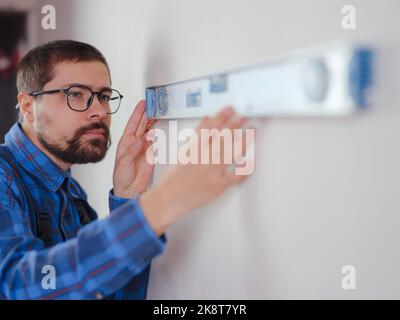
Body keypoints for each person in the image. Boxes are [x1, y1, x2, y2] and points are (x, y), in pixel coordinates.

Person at [0, 40, 249, 299]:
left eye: (103, 96)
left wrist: (127, 199)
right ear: (28, 106)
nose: (98, 111)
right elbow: (17, 285)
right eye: (75, 94)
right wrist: (164, 201)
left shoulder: (71, 193)